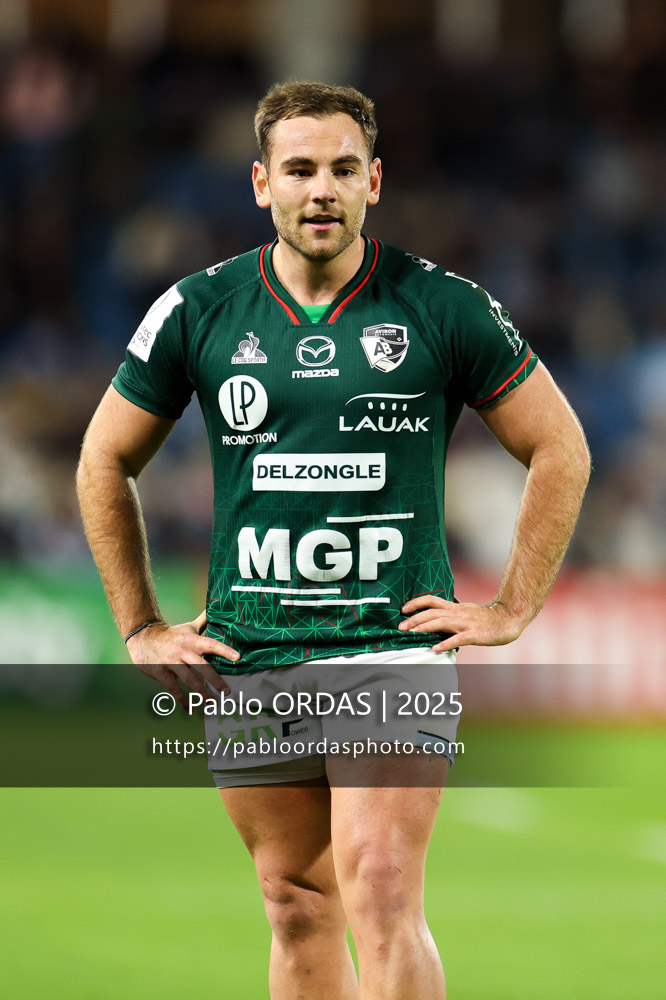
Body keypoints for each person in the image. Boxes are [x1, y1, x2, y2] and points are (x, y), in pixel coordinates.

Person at [77, 81, 590, 1000]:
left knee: (382, 887)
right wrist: (140, 624)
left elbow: (560, 448)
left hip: (391, 647)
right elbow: (103, 459)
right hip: (252, 647)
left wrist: (513, 605)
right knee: (294, 902)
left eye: (343, 169)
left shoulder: (444, 307)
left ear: (375, 181)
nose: (322, 189)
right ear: (260, 183)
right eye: (301, 169)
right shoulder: (199, 309)